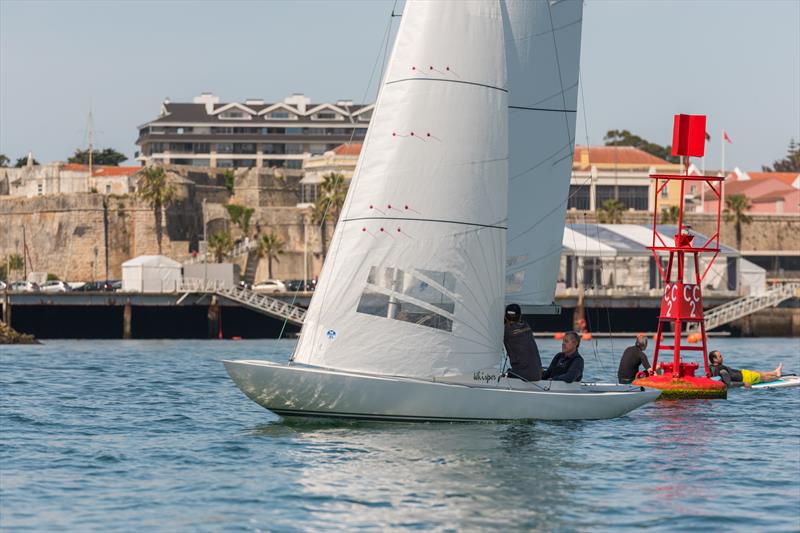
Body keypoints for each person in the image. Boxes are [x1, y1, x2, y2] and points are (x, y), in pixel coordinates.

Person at [502, 303, 542, 381]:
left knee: (507, 373)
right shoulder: (526, 326)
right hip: (537, 374)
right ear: (520, 316)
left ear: (505, 317)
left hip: (524, 376)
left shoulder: (506, 331)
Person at [709, 350, 783, 388]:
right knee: (764, 378)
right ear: (714, 359)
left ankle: (775, 372)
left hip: (743, 373)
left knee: (756, 372)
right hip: (745, 378)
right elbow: (728, 384)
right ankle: (777, 377)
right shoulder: (722, 370)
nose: (722, 358)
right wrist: (744, 383)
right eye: (720, 356)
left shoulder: (711, 367)